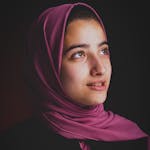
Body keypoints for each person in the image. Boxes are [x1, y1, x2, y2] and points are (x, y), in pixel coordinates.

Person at [1, 2, 149, 150]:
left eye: (103, 51)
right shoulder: (14, 143)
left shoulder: (135, 140)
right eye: (79, 54)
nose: (100, 69)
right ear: (47, 66)